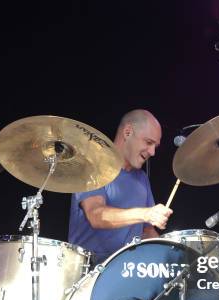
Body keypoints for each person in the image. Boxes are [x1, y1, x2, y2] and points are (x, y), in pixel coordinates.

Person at [68, 109, 173, 264]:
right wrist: (146, 213)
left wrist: (172, 253)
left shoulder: (142, 178)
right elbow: (96, 215)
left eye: (155, 146)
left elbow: (146, 230)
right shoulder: (92, 165)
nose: (152, 152)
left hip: (126, 270)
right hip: (89, 271)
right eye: (149, 142)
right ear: (128, 132)